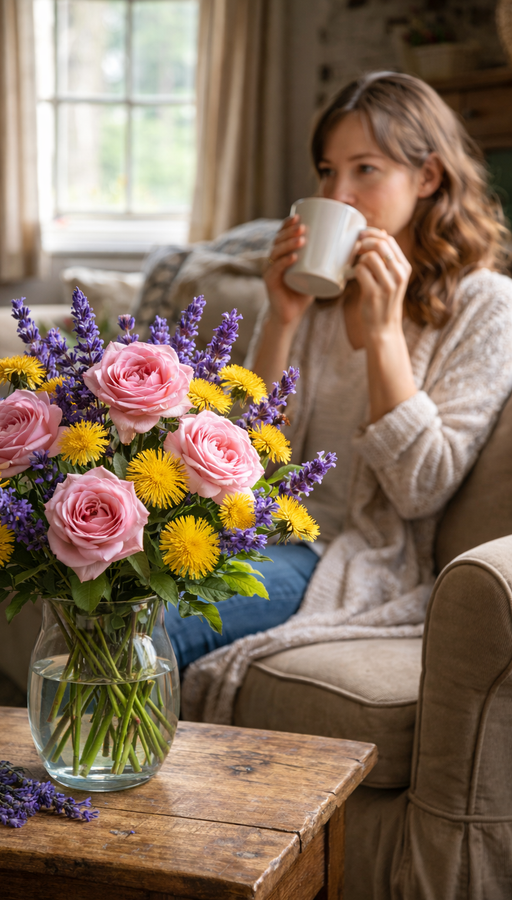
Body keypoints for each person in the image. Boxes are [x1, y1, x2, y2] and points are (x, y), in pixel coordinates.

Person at [166, 72, 512, 710]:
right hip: (255, 527)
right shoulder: (318, 297)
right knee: (108, 595)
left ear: (428, 177)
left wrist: (384, 335)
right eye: (328, 171)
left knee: (152, 622)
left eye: (366, 170)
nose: (339, 194)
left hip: (344, 557)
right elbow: (236, 459)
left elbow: (421, 489)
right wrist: (283, 318)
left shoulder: (483, 305)